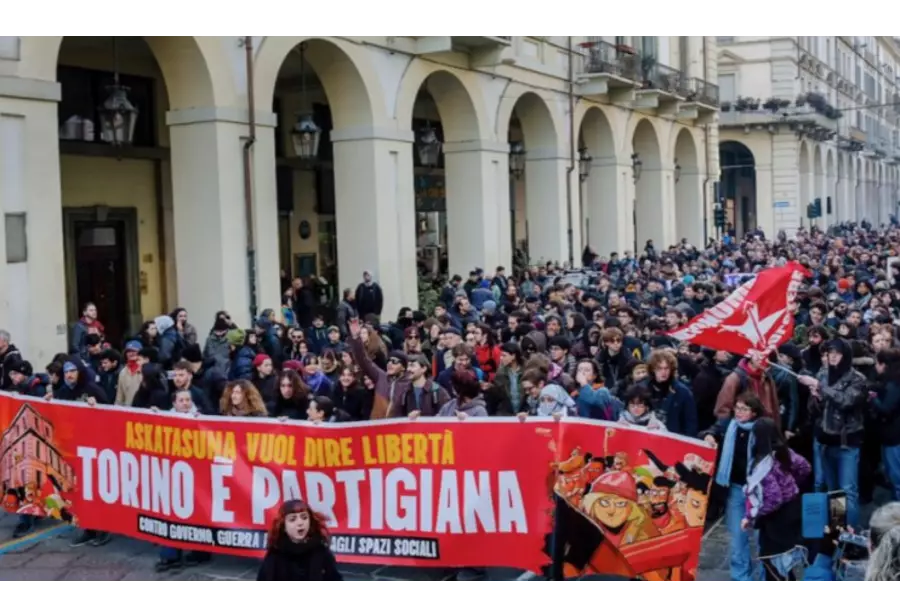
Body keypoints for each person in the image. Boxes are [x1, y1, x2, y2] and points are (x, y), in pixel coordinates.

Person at [741, 417, 811, 582]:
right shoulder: (785, 452)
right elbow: (804, 467)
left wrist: (752, 515)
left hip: (777, 521)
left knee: (774, 563)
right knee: (788, 561)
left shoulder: (765, 465)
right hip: (793, 509)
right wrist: (791, 484)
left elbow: (774, 499)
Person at [256, 499, 343, 584]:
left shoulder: (321, 551)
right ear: (283, 525)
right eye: (293, 519)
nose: (300, 523)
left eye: (304, 517)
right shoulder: (275, 554)